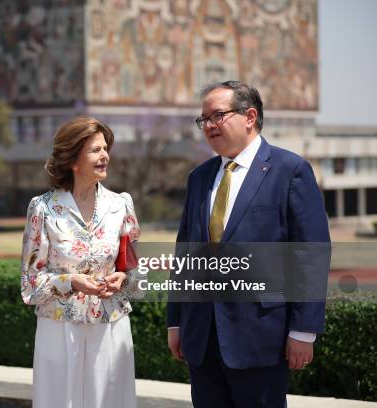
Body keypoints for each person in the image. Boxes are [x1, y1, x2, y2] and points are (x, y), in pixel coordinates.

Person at [166, 81, 330, 407]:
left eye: (217, 116)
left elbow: (310, 253)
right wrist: (176, 320)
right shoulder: (199, 177)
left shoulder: (290, 170)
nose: (209, 126)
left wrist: (303, 331)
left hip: (260, 338)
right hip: (202, 336)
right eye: (203, 119)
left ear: (250, 116)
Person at [21, 117, 142, 408]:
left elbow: (138, 273)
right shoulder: (43, 208)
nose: (105, 156)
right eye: (95, 150)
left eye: (105, 149)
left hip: (111, 328)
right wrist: (71, 282)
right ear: (73, 159)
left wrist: (123, 279)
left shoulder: (121, 205)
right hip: (59, 329)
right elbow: (30, 286)